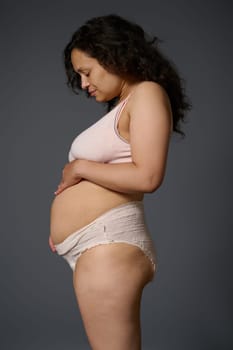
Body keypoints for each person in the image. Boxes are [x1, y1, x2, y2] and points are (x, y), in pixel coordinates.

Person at [49, 14, 191, 350]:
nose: (83, 83)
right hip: (95, 246)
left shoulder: (148, 94)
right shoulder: (125, 105)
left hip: (108, 244)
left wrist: (80, 167)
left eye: (87, 72)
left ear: (115, 56)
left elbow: (148, 176)